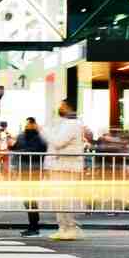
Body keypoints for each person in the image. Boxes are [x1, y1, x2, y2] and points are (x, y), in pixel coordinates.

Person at [44, 100, 86, 241]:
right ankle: (63, 228)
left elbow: (58, 142)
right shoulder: (63, 124)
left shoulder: (72, 124)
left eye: (62, 105)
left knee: (64, 199)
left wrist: (44, 131)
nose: (59, 107)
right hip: (59, 166)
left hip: (66, 167)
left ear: (68, 108)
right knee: (59, 199)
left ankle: (70, 227)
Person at [11, 117, 48, 237]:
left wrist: (18, 150)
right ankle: (33, 225)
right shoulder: (23, 136)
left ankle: (34, 226)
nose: (29, 126)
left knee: (31, 199)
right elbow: (16, 148)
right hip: (24, 170)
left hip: (33, 171)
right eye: (28, 124)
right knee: (28, 200)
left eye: (30, 124)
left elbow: (39, 151)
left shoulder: (38, 137)